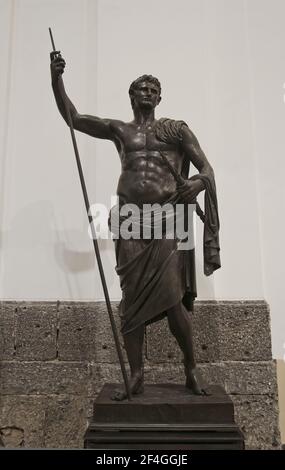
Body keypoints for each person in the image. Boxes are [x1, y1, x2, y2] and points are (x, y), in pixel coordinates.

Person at [50, 51, 220, 400]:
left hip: (168, 221)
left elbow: (207, 170)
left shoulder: (176, 130)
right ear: (132, 95)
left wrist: (197, 185)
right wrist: (56, 79)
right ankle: (137, 373)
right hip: (129, 221)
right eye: (142, 88)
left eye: (153, 89)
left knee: (174, 300)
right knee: (131, 303)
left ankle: (190, 368)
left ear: (160, 97)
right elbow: (74, 117)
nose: (148, 92)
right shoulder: (119, 130)